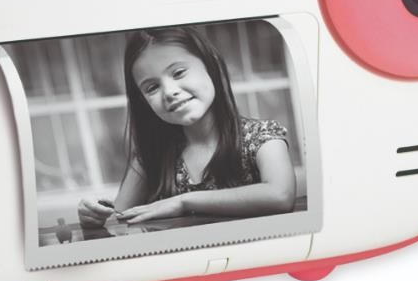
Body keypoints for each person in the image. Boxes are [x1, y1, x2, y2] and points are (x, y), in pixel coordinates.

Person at [78, 26, 296, 229]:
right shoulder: (151, 157)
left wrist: (183, 201)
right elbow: (118, 219)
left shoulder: (262, 137)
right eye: (152, 87)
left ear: (211, 66)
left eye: (179, 72)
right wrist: (94, 217)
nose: (169, 91)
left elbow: (280, 195)